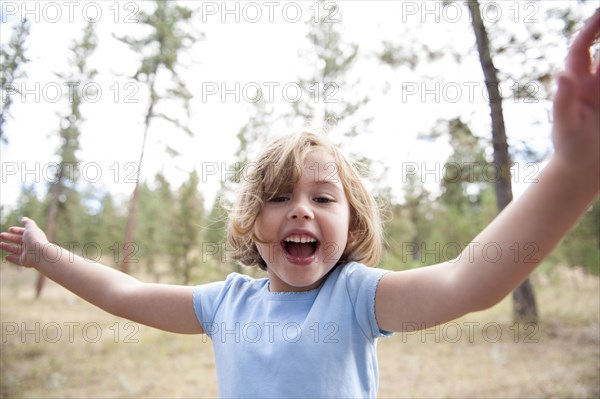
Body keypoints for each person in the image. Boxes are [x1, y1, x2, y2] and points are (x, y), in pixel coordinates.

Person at [1, 10, 599, 398]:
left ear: (352, 221)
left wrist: (574, 170)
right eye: (279, 197)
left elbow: (471, 281)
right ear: (251, 224)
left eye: (322, 197)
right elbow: (125, 294)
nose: (300, 210)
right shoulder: (225, 305)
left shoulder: (359, 297)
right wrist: (46, 255)